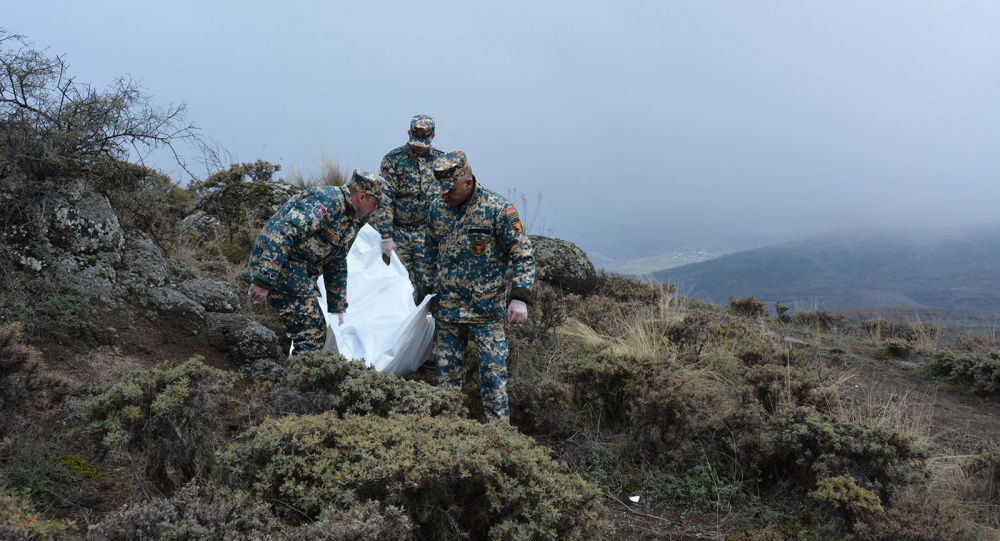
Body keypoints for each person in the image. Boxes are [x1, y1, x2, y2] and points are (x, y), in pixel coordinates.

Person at [424, 150, 535, 421]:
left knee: (493, 380)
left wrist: (519, 297)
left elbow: (522, 254)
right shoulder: (437, 208)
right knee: (446, 384)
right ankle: (448, 438)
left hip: (486, 313)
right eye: (439, 189)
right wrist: (425, 291)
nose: (443, 195)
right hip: (447, 312)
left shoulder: (498, 209)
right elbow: (429, 252)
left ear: (468, 184)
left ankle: (499, 440)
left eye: (449, 189)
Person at [245, 169, 384, 355]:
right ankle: (299, 381)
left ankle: (299, 376)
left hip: (296, 269)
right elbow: (284, 232)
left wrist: (337, 307)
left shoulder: (349, 218)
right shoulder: (327, 202)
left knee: (314, 329)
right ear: (361, 197)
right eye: (375, 203)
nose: (375, 209)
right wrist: (264, 280)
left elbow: (337, 263)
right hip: (280, 264)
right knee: (312, 331)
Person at [371, 114, 444, 298]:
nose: (418, 148)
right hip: (399, 234)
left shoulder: (442, 162)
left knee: (430, 285)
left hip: (428, 235)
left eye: (423, 143)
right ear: (409, 133)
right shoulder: (393, 160)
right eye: (415, 142)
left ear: (433, 137)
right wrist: (386, 236)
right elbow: (385, 199)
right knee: (400, 285)